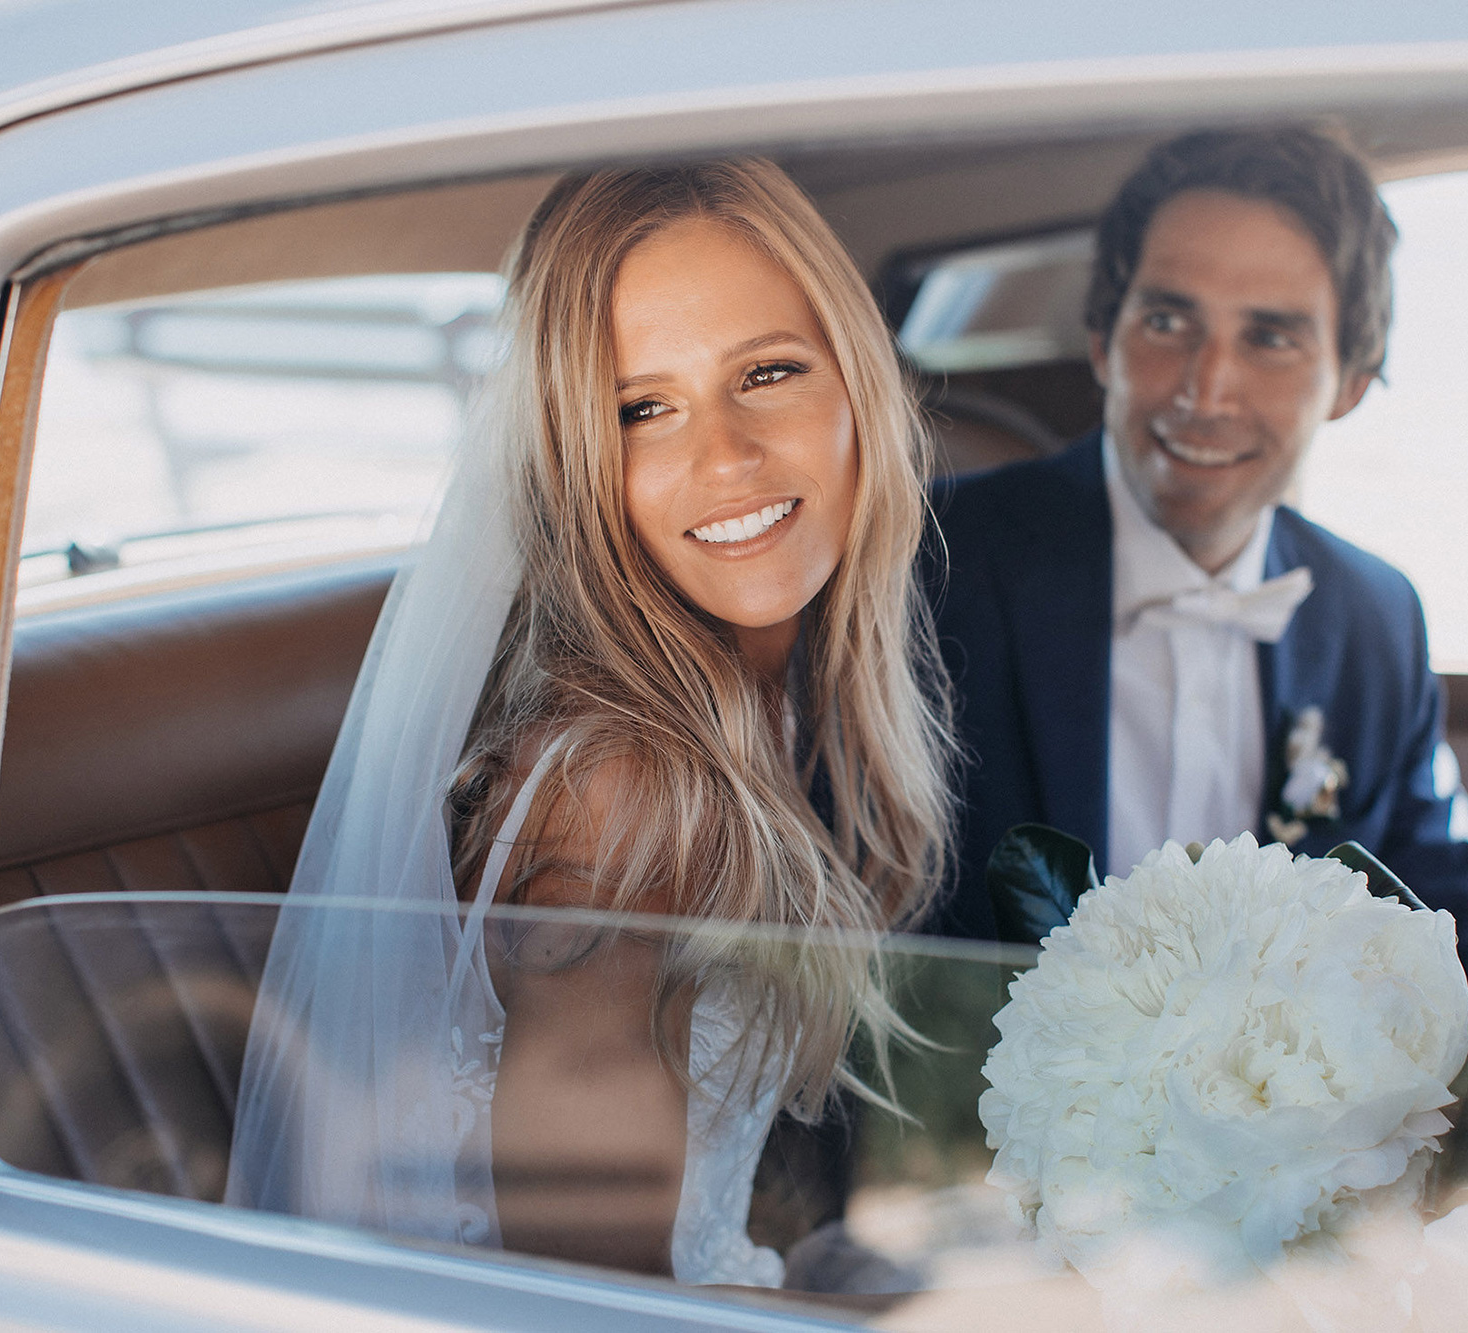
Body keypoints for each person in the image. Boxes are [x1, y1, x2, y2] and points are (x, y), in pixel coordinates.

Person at [226, 160, 953, 1284]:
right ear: (576, 462)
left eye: (766, 372)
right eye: (641, 408)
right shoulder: (620, 790)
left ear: (858, 382)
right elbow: (593, 1301)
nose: (724, 455)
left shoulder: (769, 694)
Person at [927, 125, 1468, 1143]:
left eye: (1268, 336)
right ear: (1103, 339)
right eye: (1167, 319)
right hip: (969, 1153)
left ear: (1349, 381)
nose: (1204, 387)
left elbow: (1455, 940)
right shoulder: (934, 562)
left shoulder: (1371, 617)